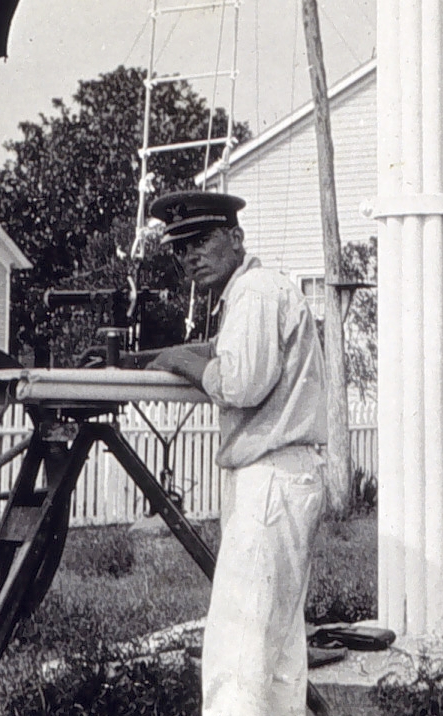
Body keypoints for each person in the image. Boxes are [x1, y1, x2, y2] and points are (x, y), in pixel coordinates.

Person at [145, 190, 328, 716]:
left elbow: (241, 381)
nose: (192, 256)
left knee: (238, 647)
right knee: (278, 649)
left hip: (269, 480)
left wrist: (181, 358)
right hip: (290, 477)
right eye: (183, 247)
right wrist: (170, 356)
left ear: (236, 237)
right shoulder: (261, 292)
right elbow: (233, 357)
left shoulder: (253, 293)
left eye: (202, 240)